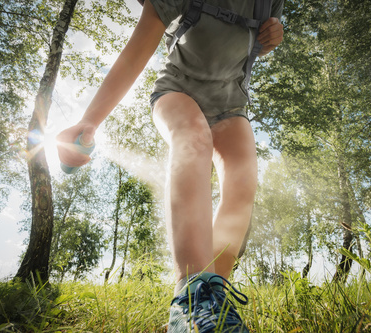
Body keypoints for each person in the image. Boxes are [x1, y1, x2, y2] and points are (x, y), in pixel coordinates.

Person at [57, 0, 283, 331]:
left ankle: (211, 307)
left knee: (243, 182)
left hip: (231, 104)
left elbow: (250, 42)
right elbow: (140, 44)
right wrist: (90, 121)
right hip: (177, 92)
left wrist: (270, 37)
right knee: (194, 140)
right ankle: (190, 296)